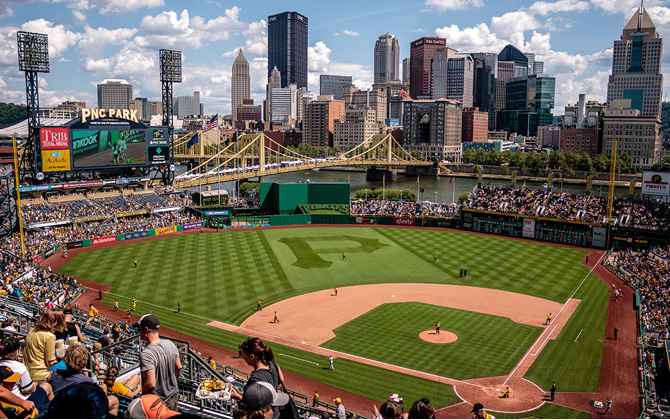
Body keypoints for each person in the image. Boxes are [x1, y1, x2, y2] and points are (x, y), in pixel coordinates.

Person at [49, 343, 119, 417]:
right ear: (84, 362)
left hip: (60, 412)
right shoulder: (87, 382)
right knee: (114, 400)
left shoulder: (55, 374)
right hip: (79, 413)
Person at [135, 314, 182, 410]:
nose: (138, 332)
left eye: (139, 329)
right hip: (174, 395)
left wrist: (142, 398)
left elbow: (151, 383)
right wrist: (171, 384)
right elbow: (179, 367)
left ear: (146, 330)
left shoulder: (146, 354)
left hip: (157, 402)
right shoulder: (170, 344)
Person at [230, 337, 285, 418]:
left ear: (252, 356)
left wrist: (237, 396)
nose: (243, 357)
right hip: (276, 412)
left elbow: (254, 405)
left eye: (243, 355)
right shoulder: (273, 364)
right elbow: (281, 380)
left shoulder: (256, 378)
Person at [0, 338, 53, 415]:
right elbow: (28, 389)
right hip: (21, 402)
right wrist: (35, 384)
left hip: (10, 403)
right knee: (46, 386)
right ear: (16, 352)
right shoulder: (20, 367)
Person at [23, 308, 65, 383]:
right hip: (41, 375)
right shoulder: (50, 336)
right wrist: (62, 356)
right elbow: (50, 362)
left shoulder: (32, 330)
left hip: (28, 373)